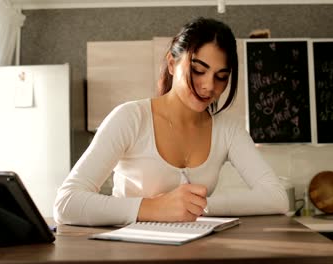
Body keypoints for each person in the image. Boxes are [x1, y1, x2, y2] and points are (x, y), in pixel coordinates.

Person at [54, 17, 289, 226]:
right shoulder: (130, 118)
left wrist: (197, 205)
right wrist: (154, 208)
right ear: (171, 64)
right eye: (198, 70)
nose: (209, 86)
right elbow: (66, 203)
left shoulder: (228, 128)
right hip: (129, 252)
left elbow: (276, 197)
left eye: (221, 77)